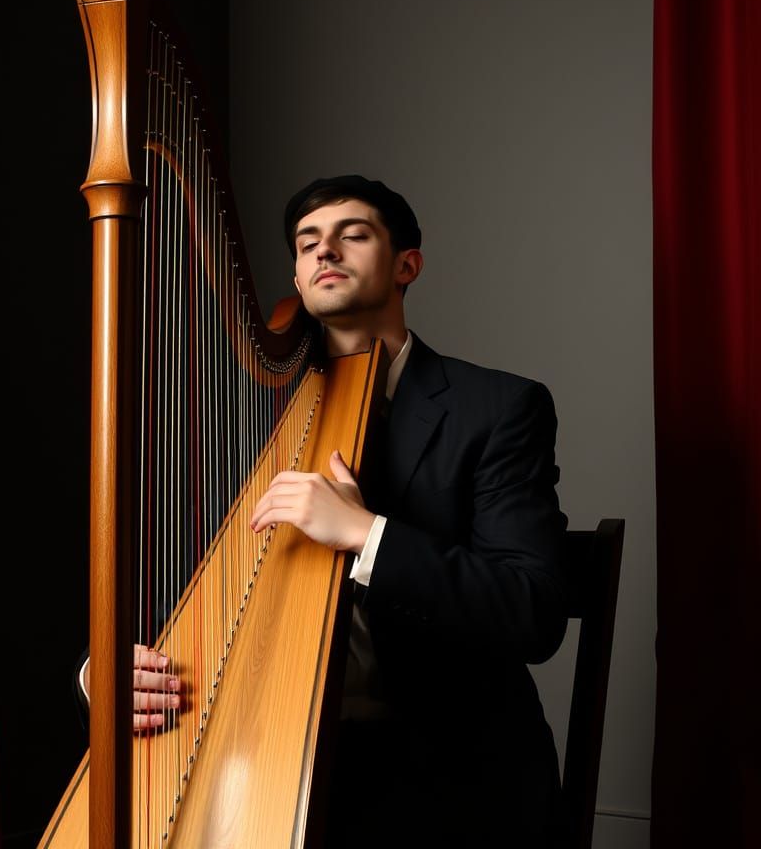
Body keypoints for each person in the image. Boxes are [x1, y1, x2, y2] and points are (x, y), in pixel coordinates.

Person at [79, 175, 568, 847]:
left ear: (407, 265)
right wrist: (107, 669)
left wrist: (367, 536)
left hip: (437, 765)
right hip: (262, 744)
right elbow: (184, 590)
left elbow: (533, 611)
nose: (326, 252)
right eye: (308, 243)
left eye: (353, 235)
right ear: (298, 275)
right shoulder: (252, 425)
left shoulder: (498, 409)